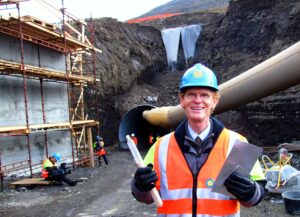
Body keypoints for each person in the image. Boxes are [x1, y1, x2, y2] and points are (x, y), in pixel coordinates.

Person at [131, 63, 266, 216]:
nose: (197, 100)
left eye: (204, 95)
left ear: (214, 101)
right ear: (182, 100)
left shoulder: (237, 144)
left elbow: (257, 195)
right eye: (191, 94)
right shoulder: (161, 147)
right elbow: (148, 197)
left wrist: (250, 192)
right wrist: (139, 187)